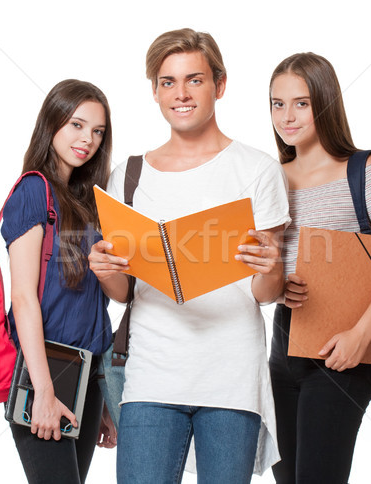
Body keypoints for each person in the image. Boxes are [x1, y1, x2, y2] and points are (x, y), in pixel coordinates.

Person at [88, 28, 290, 483]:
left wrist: (272, 267)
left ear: (219, 85)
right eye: (167, 82)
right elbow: (124, 292)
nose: (180, 94)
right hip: (151, 375)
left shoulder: (257, 170)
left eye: (194, 80)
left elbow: (266, 294)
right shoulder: (131, 175)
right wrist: (105, 271)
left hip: (231, 376)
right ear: (156, 92)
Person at [268, 52, 371, 483]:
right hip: (285, 341)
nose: (287, 116)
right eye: (278, 104)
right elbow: (266, 262)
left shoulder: (364, 170)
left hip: (346, 343)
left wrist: (361, 334)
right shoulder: (272, 175)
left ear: (326, 103)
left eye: (301, 102)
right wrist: (278, 286)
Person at [1, 79, 117, 484]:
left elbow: (93, 305)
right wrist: (43, 391)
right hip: (45, 369)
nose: (88, 140)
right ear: (52, 123)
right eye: (77, 125)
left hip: (87, 372)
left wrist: (100, 400)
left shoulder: (86, 203)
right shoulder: (34, 191)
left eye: (98, 131)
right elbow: (23, 298)